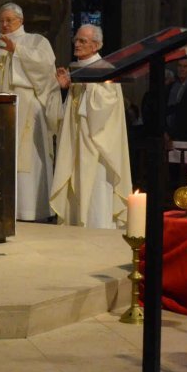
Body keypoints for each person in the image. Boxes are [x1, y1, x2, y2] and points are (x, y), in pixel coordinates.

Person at [0, 2, 58, 221]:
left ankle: (29, 210)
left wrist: (17, 51)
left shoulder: (36, 41)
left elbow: (45, 67)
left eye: (9, 20)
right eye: (1, 21)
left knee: (28, 158)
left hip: (26, 106)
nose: (4, 25)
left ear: (20, 21)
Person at [49, 24, 131, 229]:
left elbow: (106, 106)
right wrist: (64, 89)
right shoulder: (76, 69)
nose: (77, 44)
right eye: (76, 40)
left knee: (95, 187)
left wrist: (86, 84)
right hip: (75, 141)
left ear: (96, 45)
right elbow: (65, 112)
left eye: (82, 41)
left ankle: (98, 229)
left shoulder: (104, 69)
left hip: (96, 144)